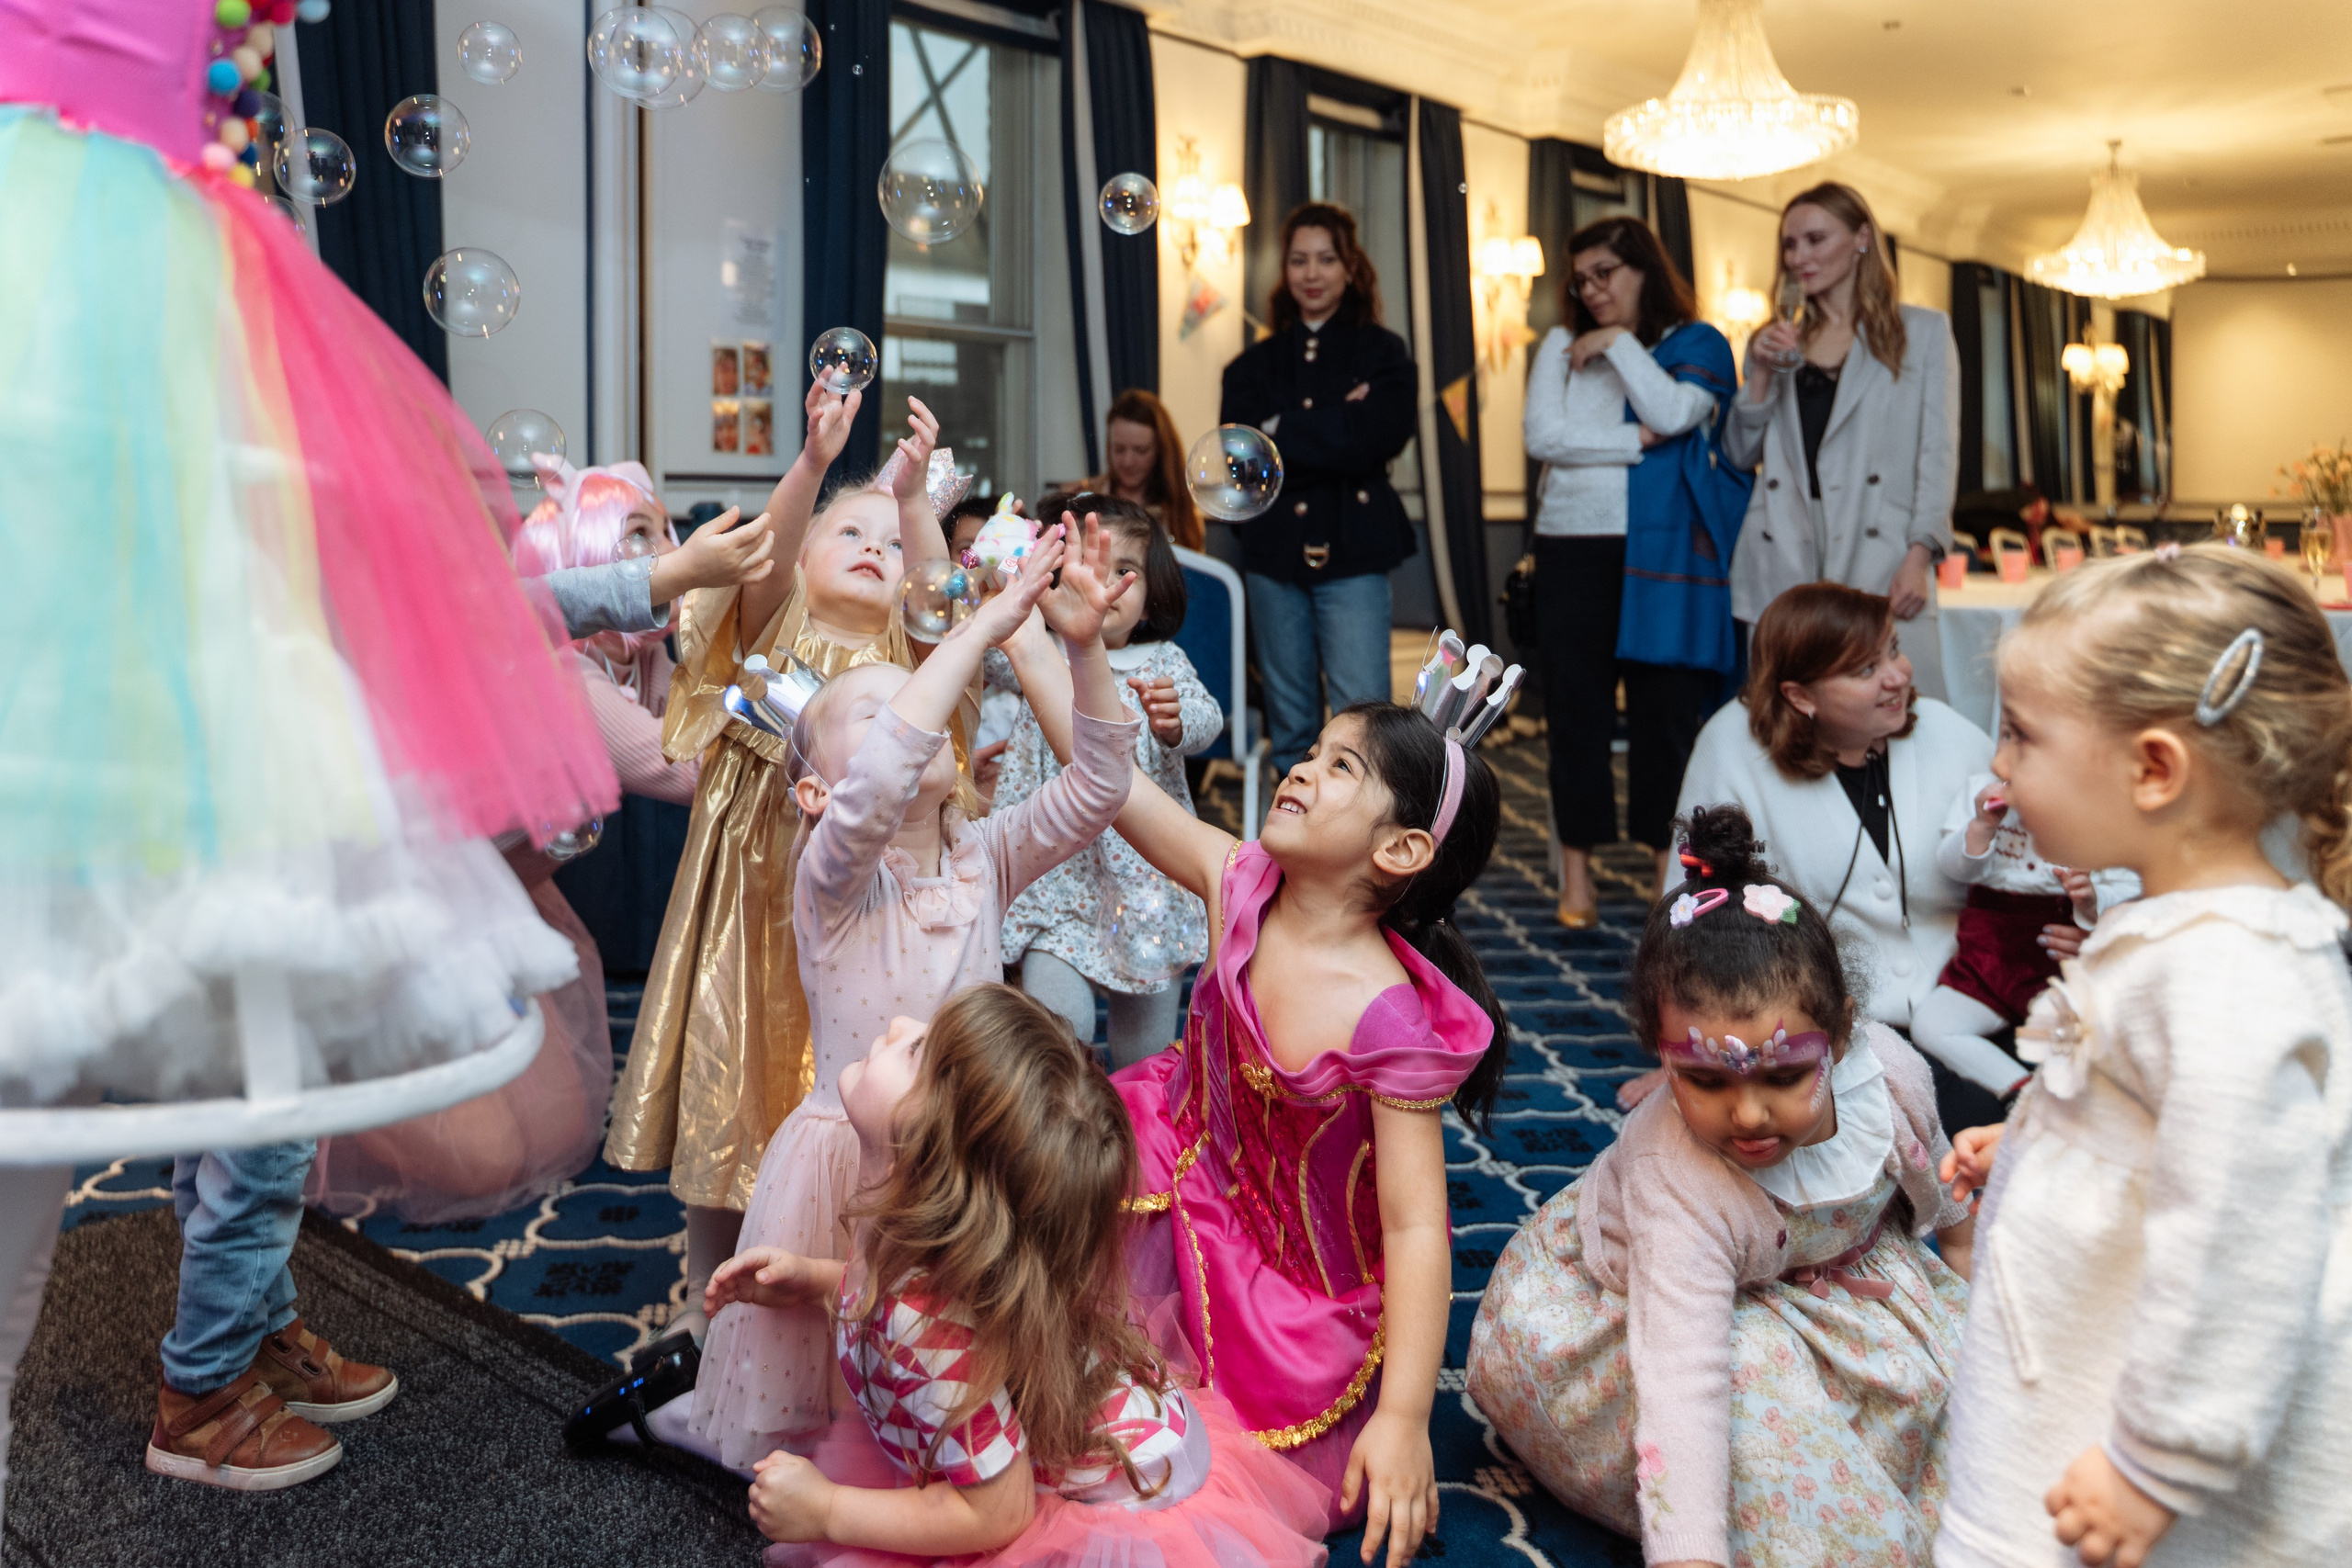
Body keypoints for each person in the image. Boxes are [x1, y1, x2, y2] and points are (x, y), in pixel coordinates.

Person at [1018, 637, 1506, 1559]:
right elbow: (1115, 784)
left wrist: (1402, 1419)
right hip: (1174, 1161)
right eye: (1311, 751)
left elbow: (1413, 1227)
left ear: (1400, 849)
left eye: (1339, 768)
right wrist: (1052, 645)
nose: (1301, 770)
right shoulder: (1240, 882)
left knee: (1186, 1486)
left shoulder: (1387, 1018)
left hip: (1284, 1295)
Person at [685, 518, 1138, 1468]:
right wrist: (980, 630)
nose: (915, 721)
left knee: (962, 1370)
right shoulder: (833, 880)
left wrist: (1083, 648)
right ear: (815, 794)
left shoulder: (987, 853)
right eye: (878, 713)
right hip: (854, 1165)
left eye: (921, 701)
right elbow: (882, 779)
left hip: (969, 1155)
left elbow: (1100, 786)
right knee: (837, 1394)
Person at [1936, 546, 2352, 1568]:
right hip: (2079, 1384)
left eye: (2022, 736)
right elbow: (2149, 1115)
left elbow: (2242, 1237)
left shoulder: (2231, 978)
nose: (1997, 766)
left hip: (2141, 1464)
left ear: (2153, 769)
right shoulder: (2179, 932)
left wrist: (2157, 1464)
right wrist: (2036, 1136)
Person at [1467, 805, 1974, 1568]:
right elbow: (1682, 1383)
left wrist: (1965, 1312)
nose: (1747, 1111)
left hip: (1840, 1291)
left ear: (1839, 1035)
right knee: (1757, 1393)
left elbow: (1952, 1199)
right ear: (1659, 1057)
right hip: (1662, 1321)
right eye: (1703, 1080)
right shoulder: (1678, 1175)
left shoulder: (1892, 1077)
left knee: (1986, 1411)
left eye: (1785, 1074)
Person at [716, 988, 1330, 1566]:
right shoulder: (934, 1252)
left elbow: (998, 1512)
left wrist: (829, 1508)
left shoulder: (929, 1327)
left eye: (916, 1051)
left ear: (935, 1159)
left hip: (1119, 1512)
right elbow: (893, 1296)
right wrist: (819, 1281)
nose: (898, 1025)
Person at [306, 461, 745, 1223]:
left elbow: (711, 712)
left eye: (665, 529)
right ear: (586, 555)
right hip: (408, 899)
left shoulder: (639, 660)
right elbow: (698, 769)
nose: (668, 547)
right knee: (487, 1162)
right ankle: (324, 1078)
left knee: (558, 1129)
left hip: (494, 893)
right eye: (639, 534)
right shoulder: (571, 675)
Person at [607, 391, 953, 1329]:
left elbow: (940, 610)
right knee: (732, 1070)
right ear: (799, 559)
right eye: (849, 531)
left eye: (890, 544)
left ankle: (831, 1274)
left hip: (859, 907)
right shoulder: (769, 626)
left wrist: (914, 504)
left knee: (841, 1089)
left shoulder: (903, 656)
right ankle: (703, 1285)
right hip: (747, 897)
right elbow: (762, 548)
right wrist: (811, 461)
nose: (875, 549)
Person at [1523, 215, 1749, 926]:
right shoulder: (1560, 344)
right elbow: (1542, 437)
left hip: (1660, 553)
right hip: (1572, 545)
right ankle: (1578, 877)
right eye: (1581, 278)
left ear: (1645, 270)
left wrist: (1620, 344)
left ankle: (1668, 878)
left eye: (1606, 274)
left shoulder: (1687, 345)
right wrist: (1631, 441)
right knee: (1576, 714)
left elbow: (1675, 413)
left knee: (1663, 717)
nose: (1590, 291)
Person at [999, 495, 1222, 1070]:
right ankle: (1063, 1135)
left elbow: (1207, 721)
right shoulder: (1039, 650)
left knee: (1144, 1053)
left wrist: (1174, 723)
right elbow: (978, 650)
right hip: (1057, 876)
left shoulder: (1163, 661)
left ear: (1151, 599)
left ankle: (1136, 1134)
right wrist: (994, 573)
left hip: (1145, 880)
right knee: (1058, 1031)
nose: (1107, 586)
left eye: (1125, 571)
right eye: (1088, 567)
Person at [1728, 182, 1961, 703]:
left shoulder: (1921, 332)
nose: (1799, 257)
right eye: (1790, 245)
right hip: (1785, 545)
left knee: (1900, 711)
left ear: (1861, 239)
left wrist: (1918, 557)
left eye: (1815, 239)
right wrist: (1761, 374)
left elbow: (1937, 456)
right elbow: (1742, 455)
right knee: (1791, 719)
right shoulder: (1775, 339)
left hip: (1880, 547)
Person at [1219, 203, 1419, 779]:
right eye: (1299, 260)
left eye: (1326, 259)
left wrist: (1281, 430)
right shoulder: (1250, 365)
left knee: (1367, 723)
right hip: (1273, 552)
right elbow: (1243, 465)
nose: (1312, 273)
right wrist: (1338, 423)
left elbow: (1381, 437)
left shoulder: (1383, 351)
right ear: (1285, 270)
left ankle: (1363, 856)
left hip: (1354, 550)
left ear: (1350, 267)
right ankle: (1291, 856)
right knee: (1291, 725)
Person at [1910, 774, 2132, 1129]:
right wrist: (1982, 826)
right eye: (2007, 736)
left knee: (2093, 1046)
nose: (2006, 759)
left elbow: (2130, 891)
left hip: (2058, 955)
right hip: (1988, 953)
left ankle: (2072, 1113)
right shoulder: (1982, 789)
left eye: (2028, 740)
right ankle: (2020, 1090)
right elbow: (1952, 869)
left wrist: (2090, 904)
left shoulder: (2103, 804)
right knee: (1931, 1025)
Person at [1088, 389, 1202, 552]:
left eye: (1141, 450)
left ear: (1160, 451)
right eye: (1119, 449)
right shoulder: (1092, 497)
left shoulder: (1179, 510)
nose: (1128, 462)